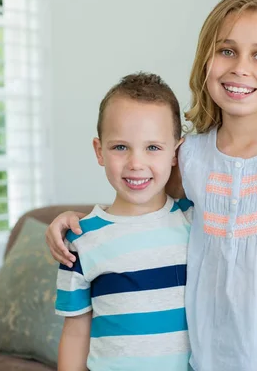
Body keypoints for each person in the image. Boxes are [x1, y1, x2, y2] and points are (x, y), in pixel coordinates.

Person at [50, 0, 257, 370]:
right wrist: (72, 221)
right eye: (226, 51)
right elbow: (140, 209)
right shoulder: (188, 158)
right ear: (206, 60)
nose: (241, 67)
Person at [55, 72, 194, 371]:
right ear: (99, 150)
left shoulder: (194, 221)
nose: (136, 163)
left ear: (175, 152)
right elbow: (76, 332)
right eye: (120, 147)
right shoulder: (80, 239)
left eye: (153, 147)